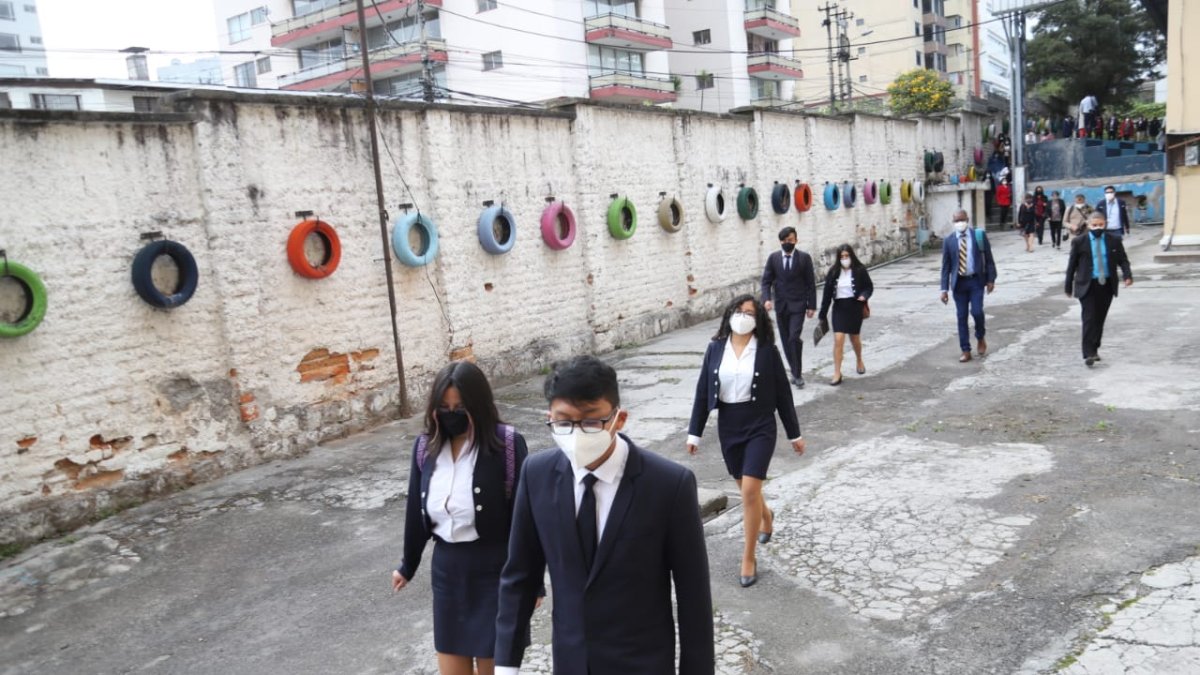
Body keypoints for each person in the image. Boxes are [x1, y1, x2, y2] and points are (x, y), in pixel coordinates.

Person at [494, 356, 714, 675]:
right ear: (550, 417)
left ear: (618, 419)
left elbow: (694, 597)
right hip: (571, 663)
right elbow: (519, 577)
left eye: (591, 421)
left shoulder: (668, 485)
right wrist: (505, 665)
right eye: (564, 422)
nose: (577, 432)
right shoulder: (536, 475)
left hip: (642, 664)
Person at [393, 361, 532, 675]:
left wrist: (532, 584)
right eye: (444, 407)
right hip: (449, 574)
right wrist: (407, 565)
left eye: (460, 407)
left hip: (497, 574)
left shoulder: (507, 445)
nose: (451, 414)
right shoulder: (424, 448)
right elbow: (416, 512)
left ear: (479, 406)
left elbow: (525, 521)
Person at [687, 294, 805, 588]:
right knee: (748, 490)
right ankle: (766, 515)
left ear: (758, 319)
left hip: (760, 425)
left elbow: (783, 396)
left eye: (749, 312)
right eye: (738, 311)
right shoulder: (715, 348)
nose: (743, 316)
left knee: (750, 489)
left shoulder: (767, 351)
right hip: (729, 425)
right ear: (729, 314)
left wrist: (795, 434)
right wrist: (695, 432)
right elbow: (703, 392)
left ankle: (748, 556)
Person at [1065, 212, 1133, 367]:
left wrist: (1127, 275)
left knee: (1099, 318)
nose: (1097, 228)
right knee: (1089, 317)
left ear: (1105, 224)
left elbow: (1123, 260)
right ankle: (1088, 352)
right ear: (1088, 225)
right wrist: (1068, 285)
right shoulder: (1079, 242)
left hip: (1106, 284)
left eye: (1101, 225)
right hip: (1087, 284)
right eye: (1094, 225)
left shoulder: (1113, 240)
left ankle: (1094, 348)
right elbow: (1072, 265)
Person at [760, 226, 817, 388]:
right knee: (785, 341)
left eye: (790, 240)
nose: (787, 243)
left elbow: (810, 284)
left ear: (796, 240)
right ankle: (794, 371)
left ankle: (797, 374)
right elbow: (766, 281)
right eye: (784, 241)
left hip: (798, 305)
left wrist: (811, 305)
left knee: (794, 337)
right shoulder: (774, 258)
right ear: (780, 242)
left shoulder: (804, 258)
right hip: (781, 306)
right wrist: (766, 299)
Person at [940, 210, 998, 363]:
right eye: (956, 221)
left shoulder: (978, 236)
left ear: (967, 219)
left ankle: (980, 336)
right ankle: (965, 350)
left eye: (962, 220)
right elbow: (945, 267)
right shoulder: (949, 241)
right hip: (959, 284)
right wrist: (944, 289)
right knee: (961, 316)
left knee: (977, 312)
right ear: (954, 223)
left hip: (976, 281)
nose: (960, 223)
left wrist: (991, 279)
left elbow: (990, 259)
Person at [817, 244, 874, 385]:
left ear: (851, 256)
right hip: (839, 308)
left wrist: (864, 296)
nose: (844, 259)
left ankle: (859, 359)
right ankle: (837, 372)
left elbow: (869, 286)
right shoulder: (834, 272)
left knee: (854, 338)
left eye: (846, 256)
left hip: (854, 307)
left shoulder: (860, 270)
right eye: (841, 257)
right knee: (838, 338)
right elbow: (827, 294)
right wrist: (822, 314)